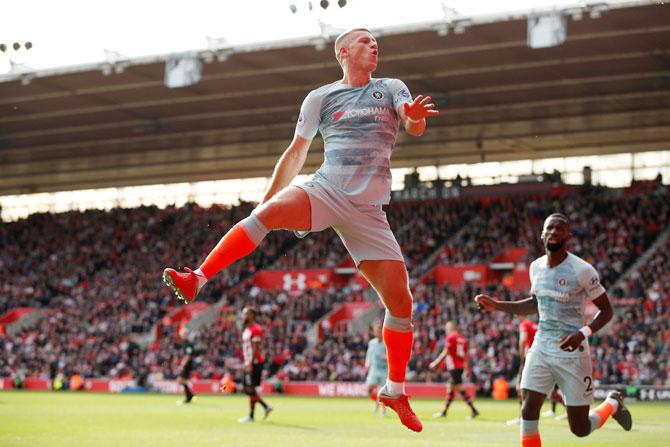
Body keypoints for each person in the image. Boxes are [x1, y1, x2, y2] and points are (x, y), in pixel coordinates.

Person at [163, 28, 438, 432]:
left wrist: (413, 120)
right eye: (364, 41)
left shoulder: (392, 87)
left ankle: (395, 390)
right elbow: (295, 153)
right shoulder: (321, 98)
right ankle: (197, 278)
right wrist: (266, 202)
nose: (373, 44)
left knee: (402, 304)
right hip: (326, 189)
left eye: (375, 41)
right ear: (343, 52)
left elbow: (412, 123)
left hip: (369, 211)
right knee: (264, 217)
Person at [474, 213, 633, 447]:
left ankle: (613, 403)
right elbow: (535, 304)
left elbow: (607, 311)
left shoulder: (582, 270)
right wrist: (497, 305)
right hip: (541, 346)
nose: (554, 232)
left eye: (559, 229)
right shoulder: (535, 267)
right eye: (549, 228)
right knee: (528, 408)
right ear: (542, 234)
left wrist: (583, 333)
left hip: (573, 352)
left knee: (579, 429)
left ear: (568, 236)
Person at [428, 321, 479, 419]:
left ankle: (474, 410)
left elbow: (445, 352)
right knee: (451, 388)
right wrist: (468, 369)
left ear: (452, 328)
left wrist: (436, 363)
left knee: (459, 388)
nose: (446, 330)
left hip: (454, 367)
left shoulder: (451, 338)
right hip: (460, 367)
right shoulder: (463, 340)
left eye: (447, 328)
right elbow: (467, 356)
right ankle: (444, 412)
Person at [237, 306, 273, 423]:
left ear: (252, 315)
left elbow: (256, 348)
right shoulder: (247, 329)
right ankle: (265, 407)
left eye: (245, 313)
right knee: (248, 389)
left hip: (255, 362)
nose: (243, 316)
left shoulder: (256, 329)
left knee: (249, 388)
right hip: (249, 362)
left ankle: (252, 416)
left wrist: (250, 364)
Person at [506, 315, 537, 425]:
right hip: (538, 358)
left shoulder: (524, 325)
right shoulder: (534, 325)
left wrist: (521, 357)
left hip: (529, 358)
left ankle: (523, 417)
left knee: (520, 387)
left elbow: (523, 340)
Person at [364, 322, 387, 415]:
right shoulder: (371, 343)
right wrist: (367, 366)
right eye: (376, 330)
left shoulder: (386, 342)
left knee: (383, 392)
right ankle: (376, 402)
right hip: (374, 369)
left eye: (379, 330)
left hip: (384, 369)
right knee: (369, 389)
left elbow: (392, 355)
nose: (378, 332)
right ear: (374, 332)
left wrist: (386, 357)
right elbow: (369, 355)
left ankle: (383, 410)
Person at [176, 327, 195, 405]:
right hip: (187, 365)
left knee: (180, 380)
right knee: (181, 380)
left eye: (185, 334)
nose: (184, 335)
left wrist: (182, 365)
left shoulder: (188, 344)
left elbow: (188, 356)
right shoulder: (184, 344)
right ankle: (190, 395)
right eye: (183, 334)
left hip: (187, 365)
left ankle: (189, 396)